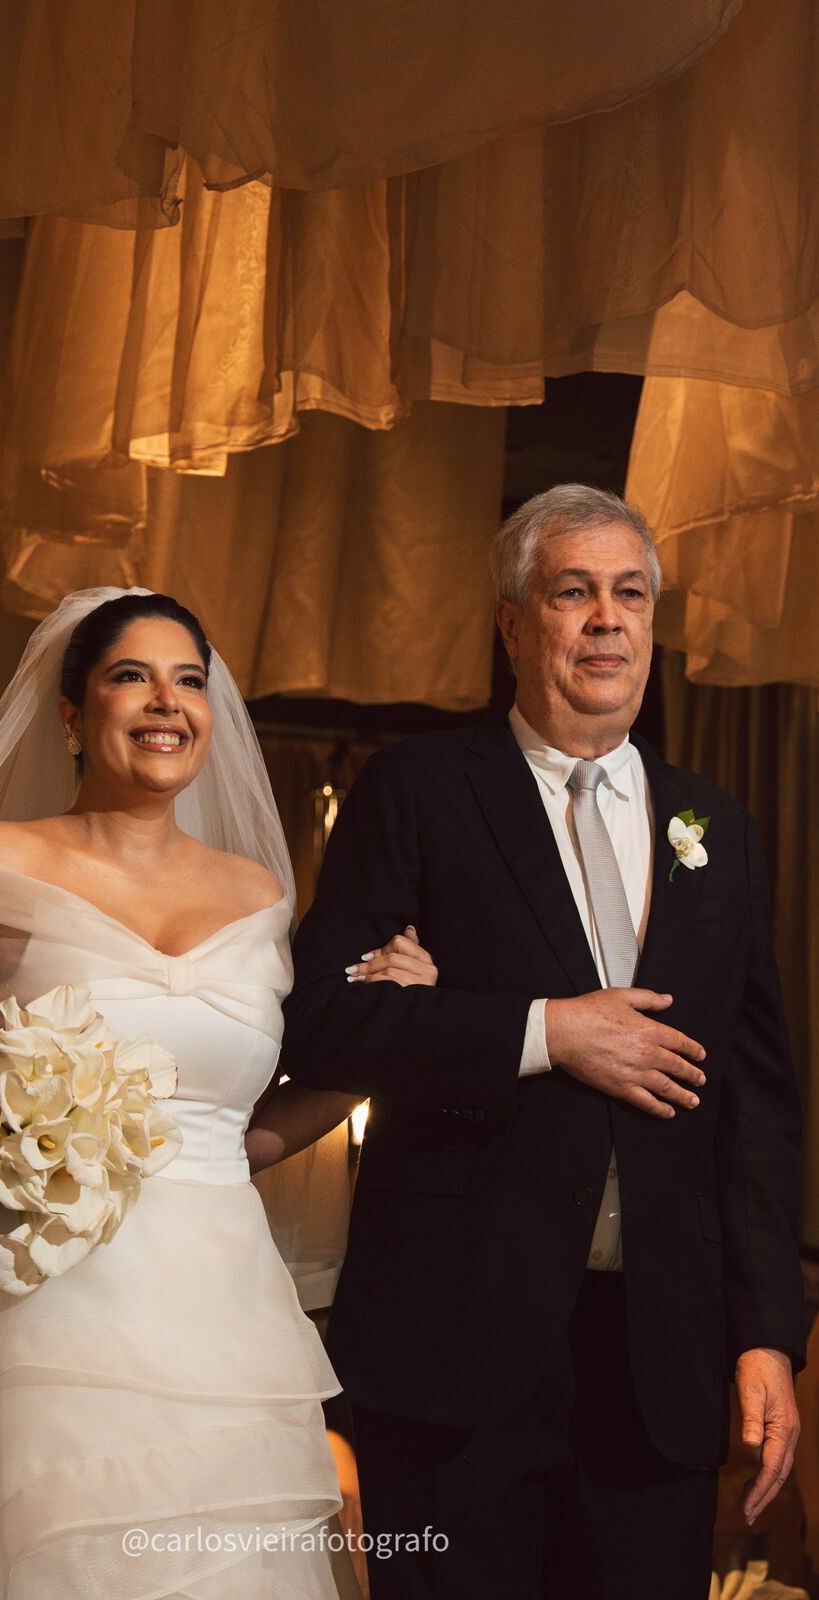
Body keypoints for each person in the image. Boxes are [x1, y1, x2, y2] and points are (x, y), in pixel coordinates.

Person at [0, 588, 366, 1599]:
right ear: (69, 712)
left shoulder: (260, 896)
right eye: (129, 675)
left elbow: (253, 1108)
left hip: (220, 1312)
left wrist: (385, 1012)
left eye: (189, 679)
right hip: (41, 1300)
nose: (165, 701)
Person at [282, 486, 807, 1600]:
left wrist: (767, 1335)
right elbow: (322, 1020)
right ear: (513, 624)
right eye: (572, 593)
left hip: (655, 1361)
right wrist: (541, 1032)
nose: (604, 620)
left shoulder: (714, 825)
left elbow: (754, 1108)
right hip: (449, 1345)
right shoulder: (419, 789)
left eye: (628, 595)